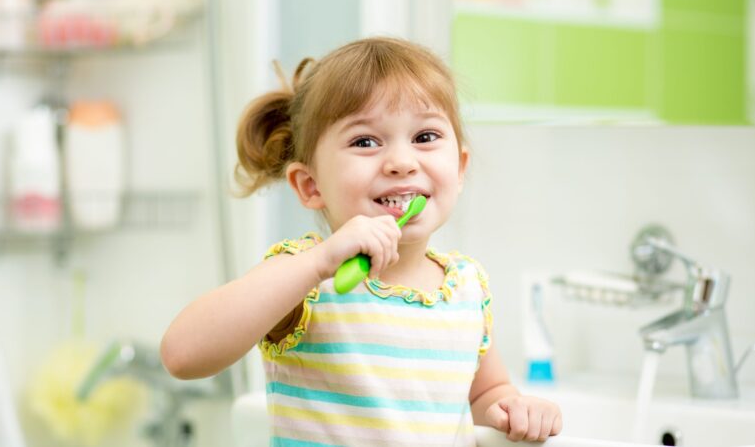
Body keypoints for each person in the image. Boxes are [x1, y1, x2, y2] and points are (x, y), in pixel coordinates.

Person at [161, 37, 562, 446]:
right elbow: (182, 355)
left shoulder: (466, 287)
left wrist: (515, 407)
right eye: (365, 142)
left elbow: (483, 392)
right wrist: (317, 265)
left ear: (458, 168)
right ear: (311, 185)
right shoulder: (306, 277)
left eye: (425, 136)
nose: (402, 163)